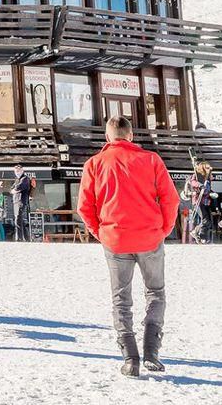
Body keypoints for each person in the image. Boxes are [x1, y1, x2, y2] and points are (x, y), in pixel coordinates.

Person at [78, 116, 177, 377]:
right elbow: (171, 199)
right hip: (149, 238)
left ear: (108, 138)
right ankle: (152, 352)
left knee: (121, 299)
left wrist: (100, 232)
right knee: (155, 293)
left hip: (115, 239)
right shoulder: (151, 160)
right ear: (131, 136)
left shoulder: (95, 164)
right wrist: (163, 230)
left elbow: (84, 206)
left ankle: (130, 358)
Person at [181, 162, 215, 243]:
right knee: (205, 219)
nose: (209, 169)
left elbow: (208, 189)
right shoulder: (197, 175)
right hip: (198, 201)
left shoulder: (208, 178)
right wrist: (200, 185)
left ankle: (197, 233)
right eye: (206, 167)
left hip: (206, 201)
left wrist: (211, 192)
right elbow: (193, 182)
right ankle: (201, 236)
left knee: (208, 221)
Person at [10, 164, 37, 242]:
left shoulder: (25, 178)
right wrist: (15, 189)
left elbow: (19, 187)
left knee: (18, 219)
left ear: (22, 171)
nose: (17, 172)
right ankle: (27, 237)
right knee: (19, 219)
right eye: (15, 171)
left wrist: (15, 190)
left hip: (21, 200)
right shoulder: (17, 179)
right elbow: (12, 188)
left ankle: (19, 238)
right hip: (16, 201)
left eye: (18, 171)